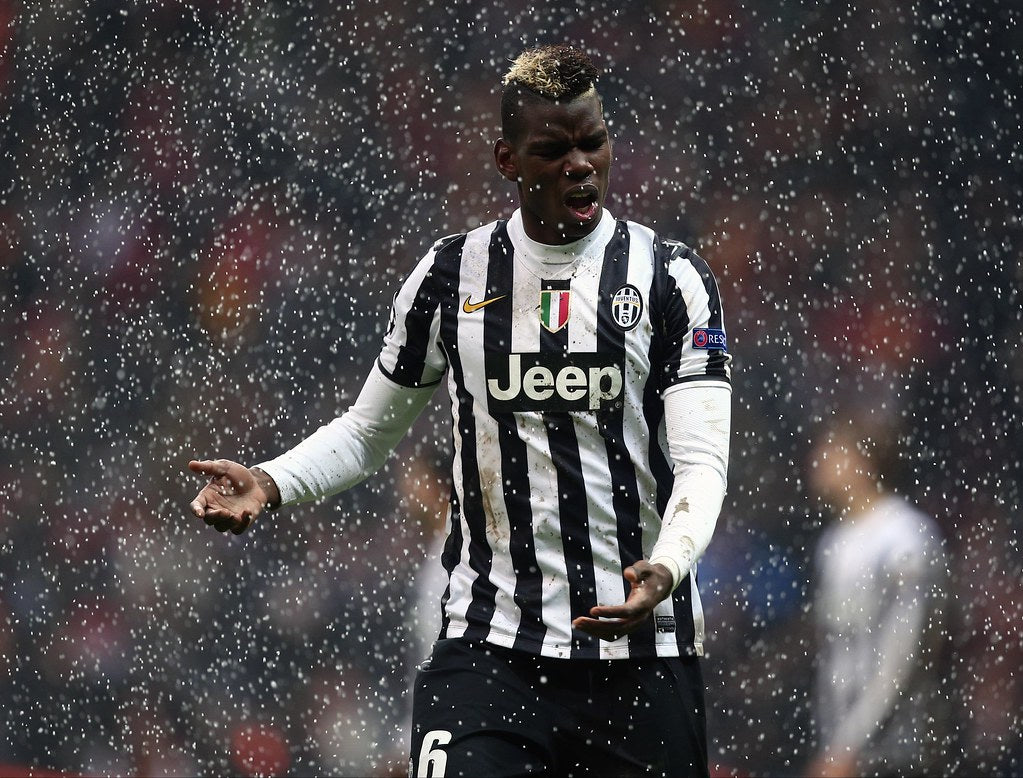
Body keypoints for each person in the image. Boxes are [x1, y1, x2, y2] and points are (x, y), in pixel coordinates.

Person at [189, 44, 731, 777]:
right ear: (507, 160)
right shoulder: (450, 276)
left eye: (593, 141)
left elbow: (701, 461)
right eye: (553, 148)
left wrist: (666, 566)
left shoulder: (670, 278)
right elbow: (367, 431)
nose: (580, 163)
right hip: (491, 652)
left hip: (644, 654)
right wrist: (273, 480)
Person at [804, 419, 951, 778]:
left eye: (831, 450)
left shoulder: (905, 538)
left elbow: (904, 653)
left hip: (899, 748)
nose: (817, 461)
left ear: (862, 462)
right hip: (843, 742)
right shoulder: (834, 542)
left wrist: (851, 745)